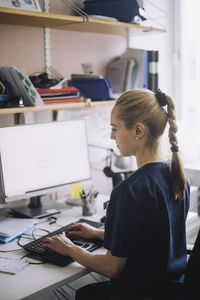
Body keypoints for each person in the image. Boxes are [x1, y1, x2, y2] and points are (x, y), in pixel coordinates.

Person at [43, 89, 190, 300]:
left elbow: (113, 268)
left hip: (141, 293)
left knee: (81, 294)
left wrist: (70, 249)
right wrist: (97, 234)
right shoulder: (177, 176)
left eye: (115, 128)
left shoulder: (130, 190)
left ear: (138, 130)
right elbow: (153, 238)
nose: (112, 136)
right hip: (172, 290)